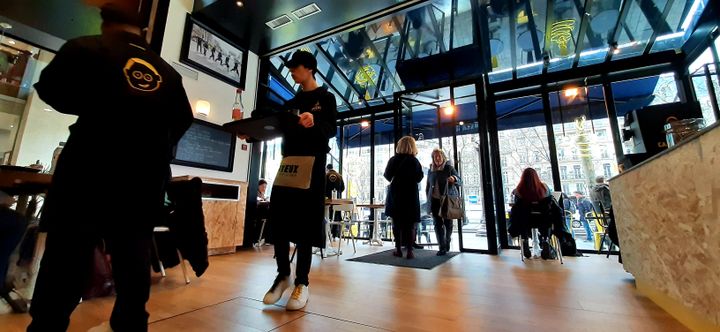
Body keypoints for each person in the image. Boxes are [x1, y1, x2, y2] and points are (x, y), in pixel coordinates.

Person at [27, 3, 194, 331]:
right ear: (143, 31)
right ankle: (131, 324)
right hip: (143, 181)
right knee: (133, 260)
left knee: (65, 261)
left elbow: (51, 91)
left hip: (87, 170)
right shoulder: (170, 75)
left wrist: (99, 107)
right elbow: (183, 121)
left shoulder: (85, 48)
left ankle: (48, 324)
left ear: (106, 25)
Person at [260, 50, 337, 311]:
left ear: (310, 69)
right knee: (278, 217)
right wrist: (253, 135)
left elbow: (330, 130)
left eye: (295, 67)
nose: (292, 72)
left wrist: (314, 122)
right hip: (288, 163)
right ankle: (283, 274)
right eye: (291, 68)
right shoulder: (289, 103)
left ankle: (302, 282)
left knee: (306, 224)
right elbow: (277, 131)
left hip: (312, 165)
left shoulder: (326, 99)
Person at [384, 136, 424, 259]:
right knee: (410, 224)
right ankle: (410, 251)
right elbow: (419, 178)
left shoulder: (393, 160)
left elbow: (387, 176)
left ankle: (398, 250)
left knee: (397, 223)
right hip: (411, 195)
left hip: (396, 194)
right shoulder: (415, 161)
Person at [425, 148, 461, 256]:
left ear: (443, 157)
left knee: (448, 224)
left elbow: (459, 180)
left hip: (446, 200)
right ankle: (442, 247)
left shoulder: (448, 168)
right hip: (434, 201)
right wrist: (428, 199)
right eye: (434, 156)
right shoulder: (430, 170)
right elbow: (428, 186)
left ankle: (447, 240)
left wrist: (454, 178)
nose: (437, 158)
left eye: (438, 156)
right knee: (437, 224)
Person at [325, 164, 345, 238]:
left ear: (327, 169)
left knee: (328, 215)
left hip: (327, 201)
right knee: (336, 215)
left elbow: (323, 187)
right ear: (333, 168)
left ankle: (327, 234)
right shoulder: (339, 176)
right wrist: (338, 192)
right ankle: (335, 234)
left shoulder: (326, 175)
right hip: (337, 201)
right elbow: (343, 188)